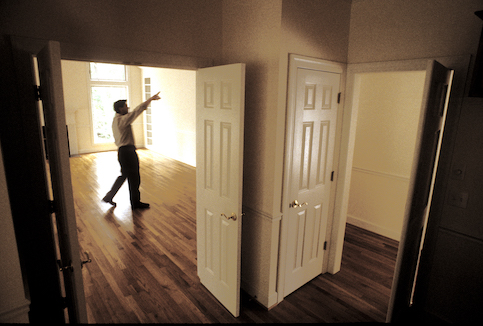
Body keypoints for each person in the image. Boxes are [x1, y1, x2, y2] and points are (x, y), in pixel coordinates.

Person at [102, 92, 161, 209]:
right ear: (120, 108)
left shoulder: (116, 120)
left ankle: (110, 196)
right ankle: (135, 202)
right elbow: (136, 111)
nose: (127, 107)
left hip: (123, 152)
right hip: (127, 152)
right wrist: (150, 99)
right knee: (134, 177)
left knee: (125, 176)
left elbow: (134, 112)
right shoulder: (122, 120)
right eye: (125, 106)